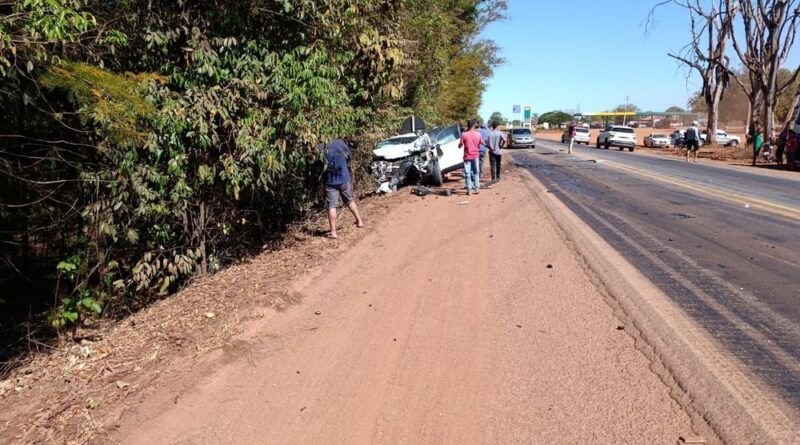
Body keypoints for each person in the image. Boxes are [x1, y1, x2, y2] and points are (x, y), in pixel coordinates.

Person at [319, 138, 363, 239]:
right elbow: (349, 157)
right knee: (349, 199)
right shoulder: (340, 143)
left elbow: (317, 163)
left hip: (330, 181)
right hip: (343, 177)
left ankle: (333, 232)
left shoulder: (320, 147)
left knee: (332, 206)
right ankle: (359, 221)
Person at [459, 119, 482, 194]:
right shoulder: (478, 134)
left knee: (467, 173)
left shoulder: (464, 134)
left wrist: (460, 145)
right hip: (475, 155)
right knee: (476, 172)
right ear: (474, 125)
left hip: (467, 156)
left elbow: (460, 145)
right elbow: (480, 144)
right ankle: (477, 188)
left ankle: (469, 190)